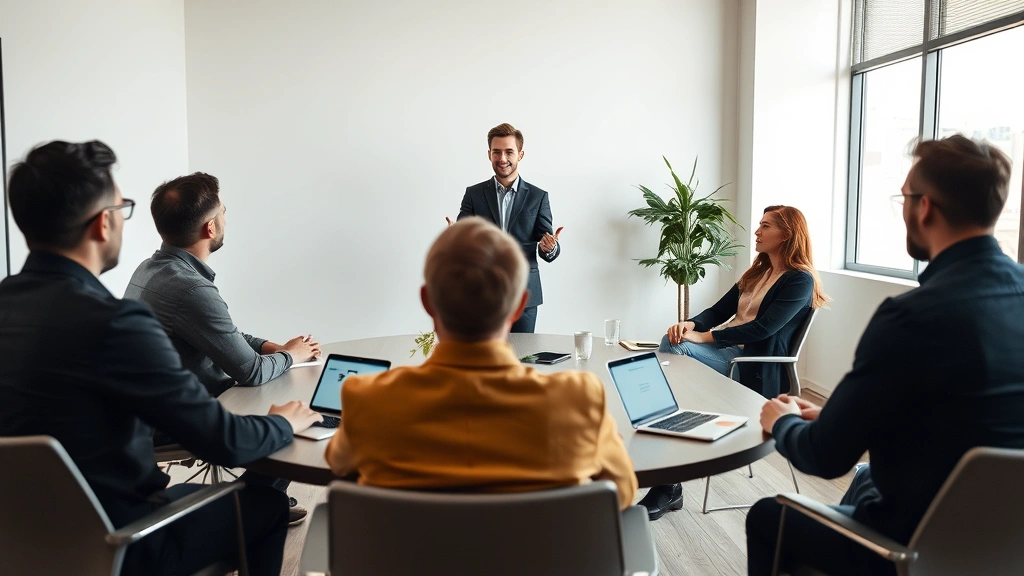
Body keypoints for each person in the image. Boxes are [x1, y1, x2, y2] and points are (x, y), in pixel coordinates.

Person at [0, 140, 322, 576]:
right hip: (125, 543)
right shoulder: (116, 325)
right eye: (122, 208)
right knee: (266, 506)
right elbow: (223, 442)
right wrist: (286, 421)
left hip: (21, 545)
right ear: (102, 224)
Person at [747, 135, 1024, 575]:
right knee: (864, 479)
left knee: (766, 516)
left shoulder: (911, 318)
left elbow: (825, 457)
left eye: (904, 197)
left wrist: (782, 422)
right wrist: (838, 415)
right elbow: (973, 416)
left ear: (925, 207)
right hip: (1008, 544)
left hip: (912, 547)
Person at [324, 217, 638, 509]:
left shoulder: (368, 400)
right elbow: (623, 493)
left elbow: (339, 463)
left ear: (427, 302)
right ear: (519, 308)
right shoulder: (578, 401)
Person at [642, 205, 829, 520]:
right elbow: (717, 311)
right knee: (673, 341)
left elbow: (764, 328)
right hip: (727, 354)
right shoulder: (758, 272)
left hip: (752, 364)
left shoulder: (800, 281)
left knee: (680, 352)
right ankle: (671, 438)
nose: (757, 231)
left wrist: (705, 338)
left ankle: (667, 473)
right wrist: (691, 324)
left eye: (765, 226)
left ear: (786, 234)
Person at [125, 172, 321, 399]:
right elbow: (252, 372)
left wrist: (278, 349)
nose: (225, 220)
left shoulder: (147, 269)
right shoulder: (192, 290)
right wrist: (291, 355)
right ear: (210, 228)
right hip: (198, 420)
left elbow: (223, 336)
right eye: (223, 212)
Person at [454, 122, 562, 333]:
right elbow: (462, 237)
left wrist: (550, 248)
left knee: (523, 358)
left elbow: (546, 242)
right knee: (484, 358)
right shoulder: (473, 194)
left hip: (525, 293)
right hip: (481, 293)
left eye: (509, 152)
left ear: (520, 154)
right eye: (497, 152)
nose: (502, 158)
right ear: (489, 154)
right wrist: (454, 238)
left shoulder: (538, 197)